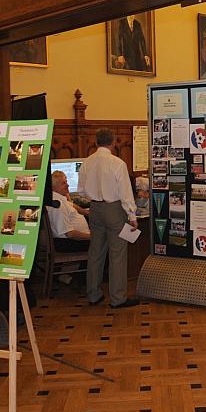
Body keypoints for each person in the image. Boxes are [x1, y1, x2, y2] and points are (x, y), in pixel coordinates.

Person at [78, 128, 139, 308]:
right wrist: (132, 215)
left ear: (96, 142)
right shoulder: (117, 163)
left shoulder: (87, 163)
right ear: (113, 142)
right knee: (117, 254)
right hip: (114, 209)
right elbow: (125, 193)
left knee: (95, 252)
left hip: (95, 208)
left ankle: (93, 294)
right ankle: (118, 298)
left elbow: (81, 190)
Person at [47, 170, 91, 249]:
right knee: (107, 242)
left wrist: (84, 211)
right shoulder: (58, 205)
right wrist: (92, 237)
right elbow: (70, 234)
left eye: (66, 182)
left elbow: (71, 205)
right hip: (68, 242)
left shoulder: (58, 198)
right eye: (63, 183)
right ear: (53, 187)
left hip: (71, 240)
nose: (67, 185)